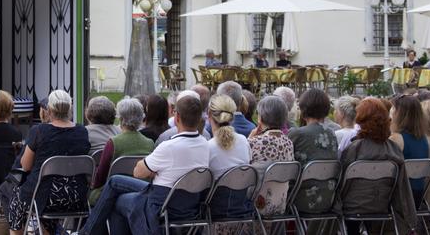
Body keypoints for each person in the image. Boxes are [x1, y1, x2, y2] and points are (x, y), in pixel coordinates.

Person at [79, 95, 209, 235]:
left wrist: (151, 168)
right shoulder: (205, 145)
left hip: (161, 203)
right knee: (114, 181)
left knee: (116, 200)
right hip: (188, 203)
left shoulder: (169, 147)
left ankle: (86, 232)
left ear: (177, 117)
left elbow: (138, 173)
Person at [7, 90, 90, 235]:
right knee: (40, 190)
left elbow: (25, 166)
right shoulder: (82, 131)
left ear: (49, 109)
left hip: (46, 198)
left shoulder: (39, 131)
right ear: (69, 109)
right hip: (77, 197)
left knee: (16, 194)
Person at [339, 98, 416, 235]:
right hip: (382, 204)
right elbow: (401, 185)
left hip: (352, 206)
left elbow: (341, 179)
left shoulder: (355, 148)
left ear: (361, 120)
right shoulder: (393, 149)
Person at [89, 97, 155, 205]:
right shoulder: (149, 143)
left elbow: (101, 175)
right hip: (141, 190)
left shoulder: (114, 142)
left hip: (115, 192)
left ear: (121, 118)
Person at [288, 88, 338, 215]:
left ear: (303, 109)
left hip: (299, 198)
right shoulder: (331, 134)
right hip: (328, 197)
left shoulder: (297, 133)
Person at [206, 94, 253, 222]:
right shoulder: (243, 141)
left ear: (209, 114)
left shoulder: (208, 147)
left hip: (214, 209)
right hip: (241, 206)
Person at [249, 96, 295, 216]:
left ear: (260, 118)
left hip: (254, 205)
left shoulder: (254, 142)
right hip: (280, 204)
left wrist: (249, 139)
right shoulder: (289, 143)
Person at [389, 94, 430, 205]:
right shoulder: (423, 138)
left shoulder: (396, 138)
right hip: (418, 191)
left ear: (400, 113)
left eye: (393, 108)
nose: (390, 111)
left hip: (401, 193)